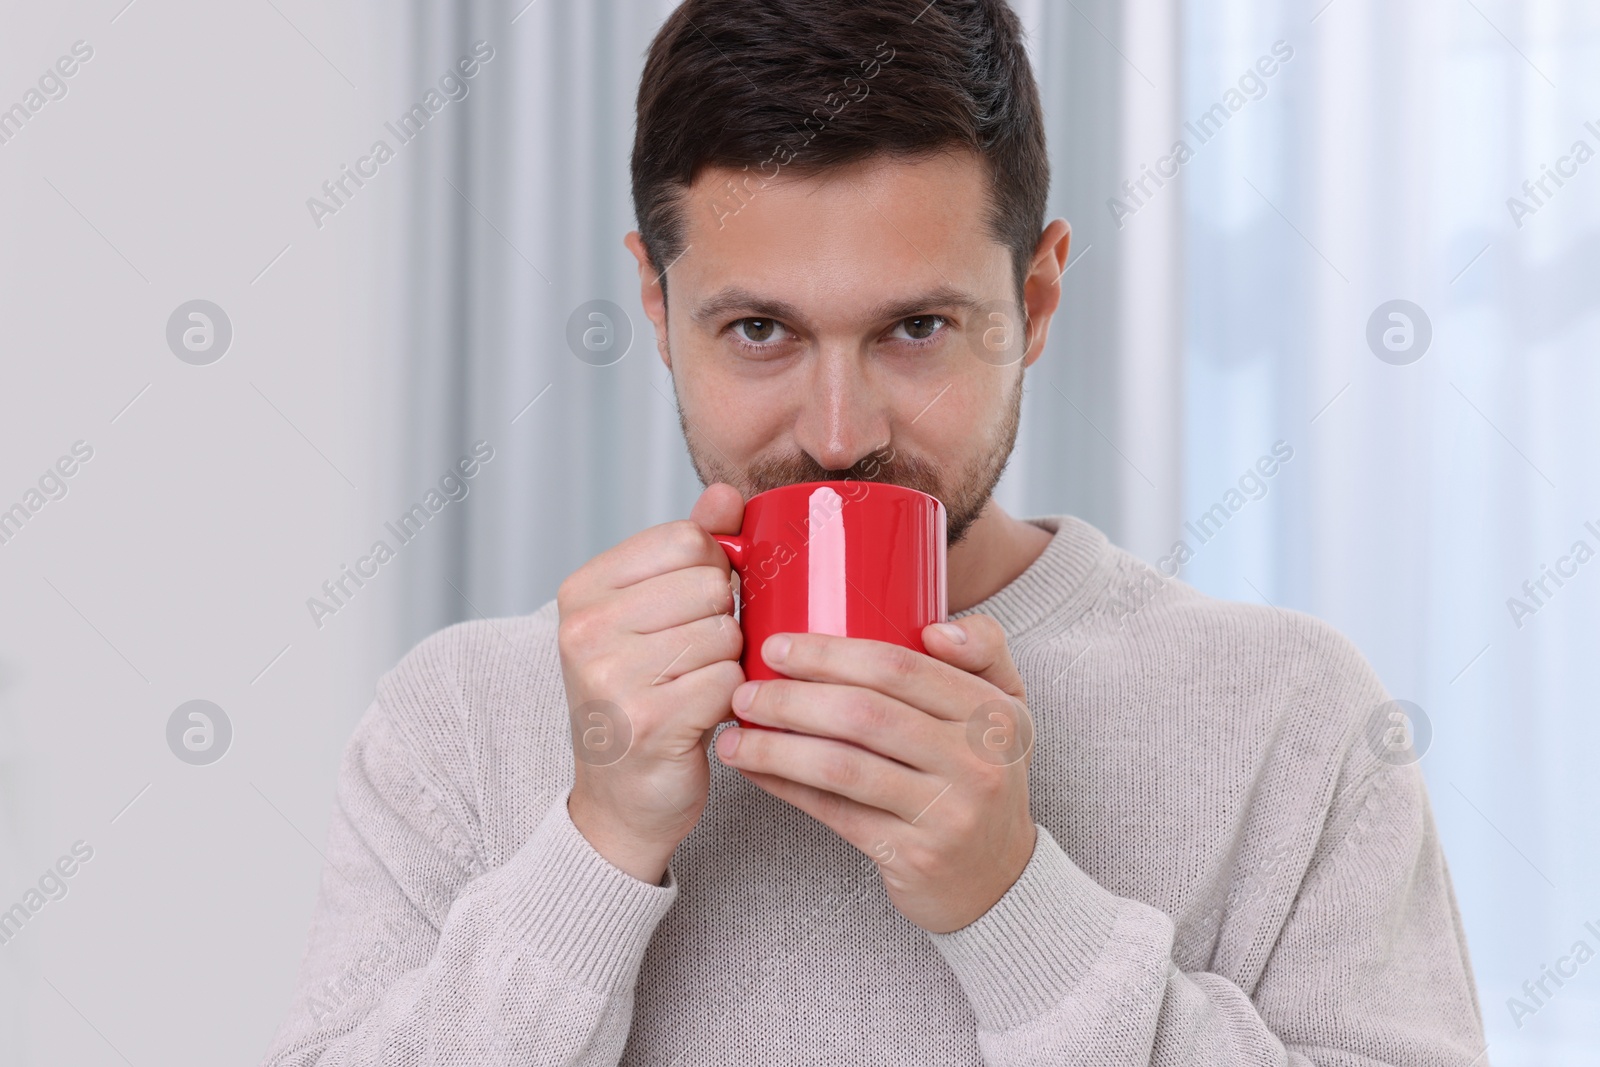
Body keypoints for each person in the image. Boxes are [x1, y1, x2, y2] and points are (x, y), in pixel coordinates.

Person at [261, 0, 1488, 1063]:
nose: (839, 433)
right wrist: (595, 847)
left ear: (1036, 301)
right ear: (656, 303)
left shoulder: (1291, 713)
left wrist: (1018, 911)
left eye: (915, 329)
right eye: (759, 331)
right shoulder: (459, 713)